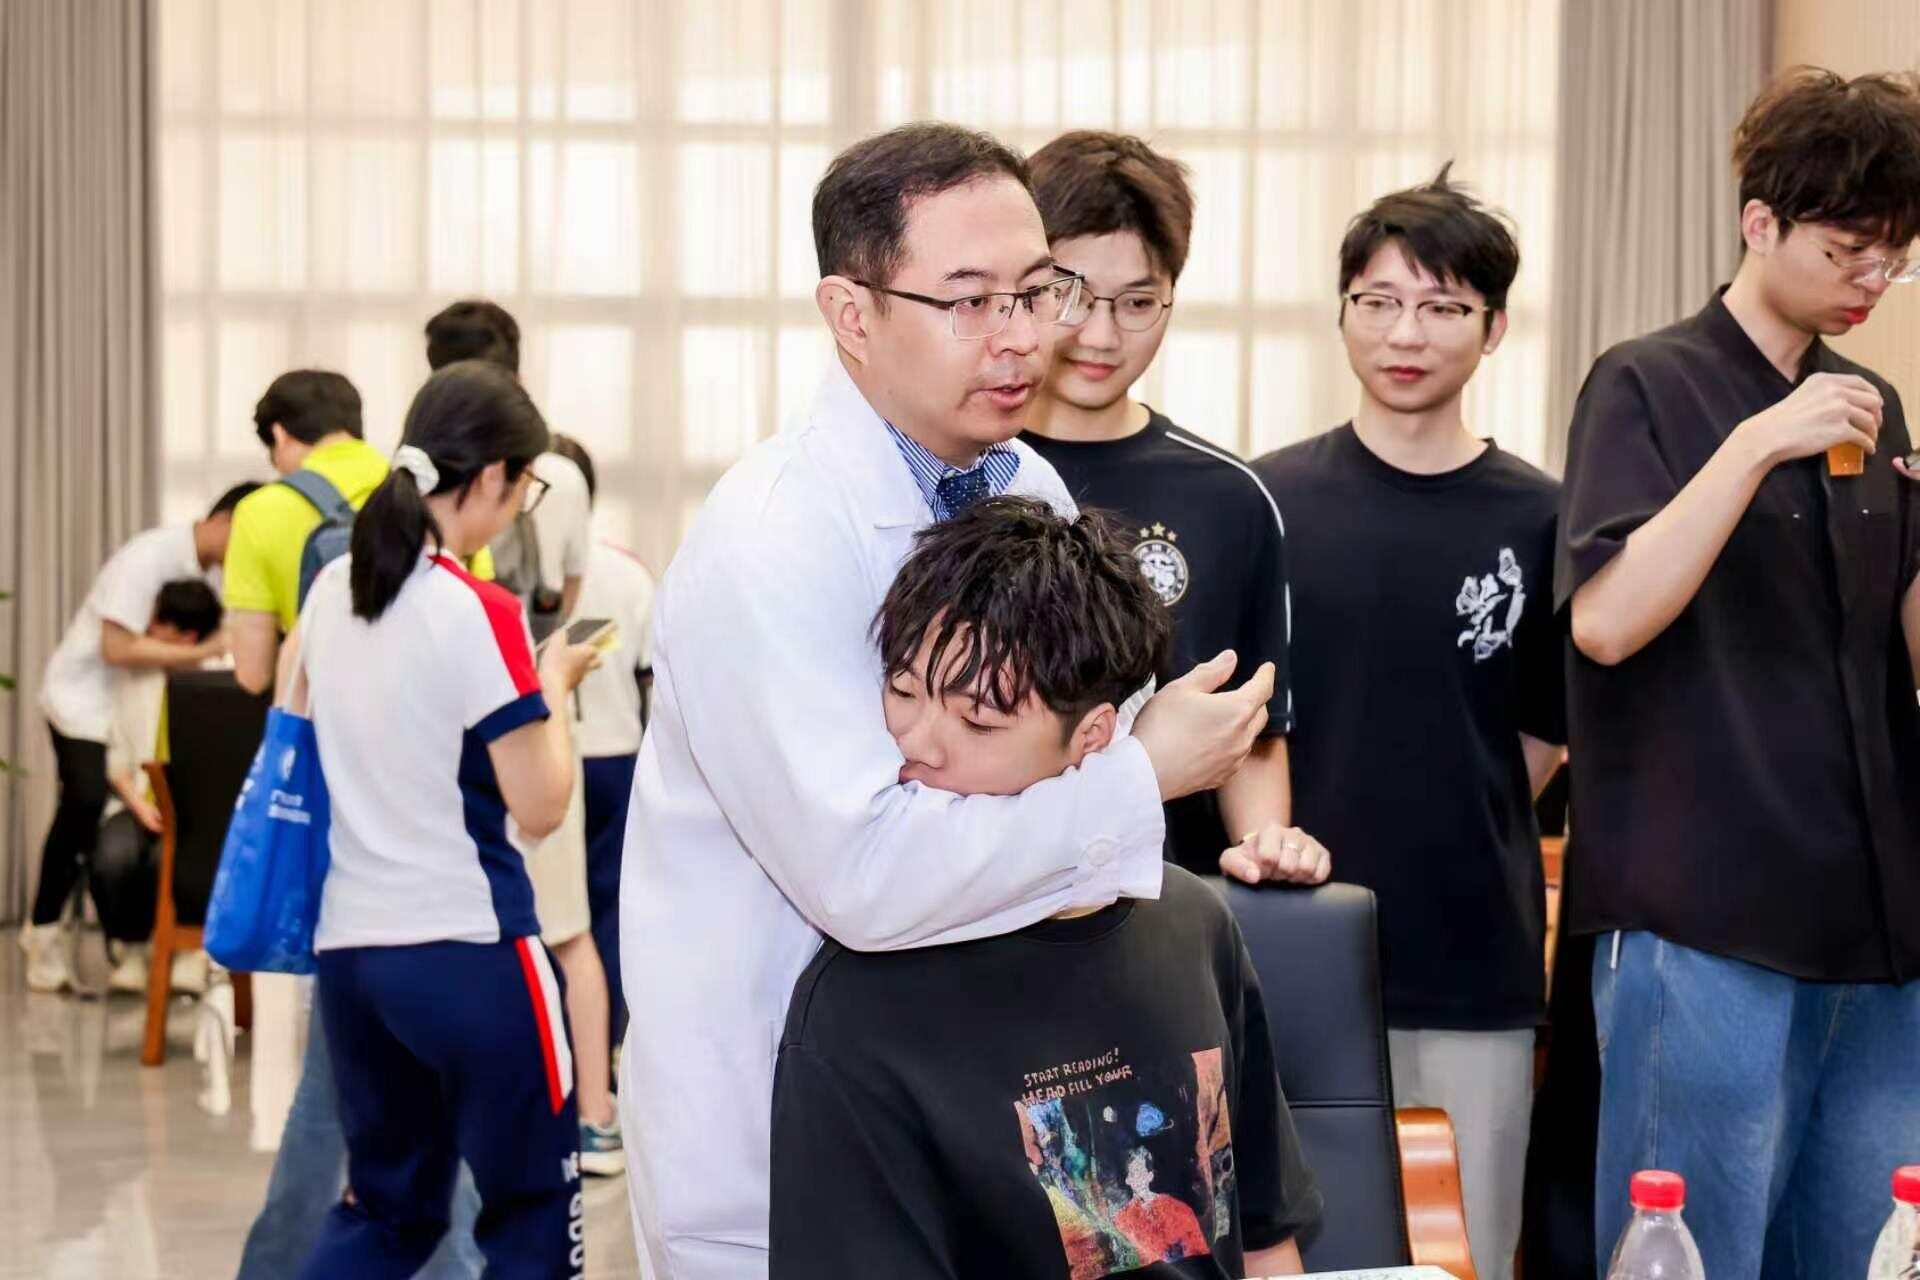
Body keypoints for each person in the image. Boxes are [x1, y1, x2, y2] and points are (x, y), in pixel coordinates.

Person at [620, 121, 1308, 1280]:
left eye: (1036, 291)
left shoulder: (1023, 481)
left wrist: (1122, 749)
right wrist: (1144, 770)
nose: (1026, 335)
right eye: (971, 300)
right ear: (852, 313)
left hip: (993, 1089)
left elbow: (1065, 750)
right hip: (784, 1122)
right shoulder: (770, 540)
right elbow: (865, 873)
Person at [1557, 68, 1920, 1278]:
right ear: (1759, 222)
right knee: (1691, 1248)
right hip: (1701, 904)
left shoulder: (1876, 407)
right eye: (1848, 251)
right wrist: (1759, 441)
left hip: (1873, 914)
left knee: (1869, 1254)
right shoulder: (1645, 382)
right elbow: (1607, 621)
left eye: (1893, 260)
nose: (1871, 281)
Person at [769, 497, 1320, 1279]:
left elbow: (1262, 1237)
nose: (915, 745)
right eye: (903, 690)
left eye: (979, 722)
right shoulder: (860, 1000)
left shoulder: (1192, 922)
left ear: (1094, 736)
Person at [1254, 167, 1564, 1280]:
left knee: (1464, 1249)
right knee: (1295, 1252)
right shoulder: (1268, 501)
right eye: (1378, 301)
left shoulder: (1542, 516)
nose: (1405, 332)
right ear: (1341, 312)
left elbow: (1543, 736)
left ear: (1494, 329)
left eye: (1442, 307)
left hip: (1474, 958)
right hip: (1293, 951)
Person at [295, 359, 600, 1278]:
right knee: (534, 1211)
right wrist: (550, 687)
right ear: (494, 475)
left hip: (352, 957)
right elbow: (540, 806)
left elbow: (293, 725)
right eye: (527, 487)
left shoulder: (330, 594)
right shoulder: (480, 611)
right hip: (470, 950)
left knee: (385, 1214)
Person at [230, 372, 490, 1279]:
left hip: (344, 853)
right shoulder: (442, 518)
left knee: (337, 1103)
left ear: (280, 435)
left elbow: (260, 678)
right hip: (443, 857)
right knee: (428, 1109)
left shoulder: (266, 514)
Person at [1022, 130, 1328, 884]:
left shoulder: (1230, 497)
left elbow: (1252, 733)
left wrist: (1267, 846)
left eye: (1137, 303)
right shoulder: (958, 466)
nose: (1101, 335)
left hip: (1168, 906)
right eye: (1069, 293)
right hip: (980, 898)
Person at [423, 307, 623, 1176]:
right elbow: (566, 597)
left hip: (465, 727)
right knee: (565, 927)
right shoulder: (563, 475)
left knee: (512, 927)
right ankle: (595, 1114)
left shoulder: (426, 478)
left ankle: (506, 1121)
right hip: (535, 705)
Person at [21, 487, 249, 992]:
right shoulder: (148, 557)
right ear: (224, 521)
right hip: (82, 701)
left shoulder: (208, 575)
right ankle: (44, 933)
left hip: (130, 702)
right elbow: (116, 647)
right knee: (84, 806)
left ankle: (175, 950)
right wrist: (206, 651)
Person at [546, 434, 654, 1050]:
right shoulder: (628, 574)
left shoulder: (517, 574)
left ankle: (557, 1044)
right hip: (616, 760)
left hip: (547, 759)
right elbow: (650, 680)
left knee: (551, 911)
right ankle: (607, 1040)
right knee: (609, 907)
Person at [95, 577, 230, 996]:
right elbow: (117, 760)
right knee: (113, 856)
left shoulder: (221, 681)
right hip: (140, 802)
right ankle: (134, 952)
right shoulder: (135, 679)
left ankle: (190, 953)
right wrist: (139, 804)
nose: (149, 628)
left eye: (160, 622)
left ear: (187, 636)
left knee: (177, 862)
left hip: (201, 812)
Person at [425, 299, 592, 634]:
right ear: (517, 382)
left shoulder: (412, 477)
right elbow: (570, 587)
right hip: (526, 652)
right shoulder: (562, 477)